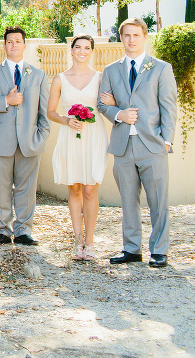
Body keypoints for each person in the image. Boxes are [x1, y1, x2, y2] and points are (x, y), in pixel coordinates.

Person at [98, 18, 177, 269]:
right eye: (126, 35)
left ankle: (159, 250)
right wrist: (119, 114)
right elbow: (101, 105)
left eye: (135, 35)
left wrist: (167, 140)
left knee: (157, 201)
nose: (131, 39)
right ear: (120, 38)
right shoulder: (111, 70)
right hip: (122, 145)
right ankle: (132, 249)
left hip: (152, 145)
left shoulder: (161, 68)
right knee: (128, 201)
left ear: (145, 37)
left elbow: (168, 106)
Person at [0, 26, 50, 246]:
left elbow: (43, 113)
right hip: (1, 141)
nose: (14, 45)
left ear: (24, 45)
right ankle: (3, 230)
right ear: (4, 46)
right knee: (1, 188)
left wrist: (41, 138)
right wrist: (4, 100)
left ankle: (23, 231)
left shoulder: (39, 75)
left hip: (30, 141)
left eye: (18, 41)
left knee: (26, 189)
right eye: (10, 41)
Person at [47, 34, 109, 261]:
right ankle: (77, 241)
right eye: (78, 47)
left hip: (94, 136)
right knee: (74, 189)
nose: (82, 51)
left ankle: (90, 242)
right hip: (70, 135)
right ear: (71, 50)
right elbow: (50, 111)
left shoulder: (100, 77)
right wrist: (66, 120)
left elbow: (108, 103)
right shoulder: (59, 79)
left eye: (87, 48)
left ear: (92, 51)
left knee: (90, 190)